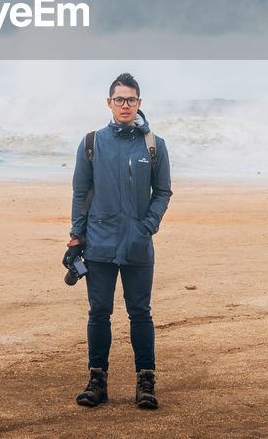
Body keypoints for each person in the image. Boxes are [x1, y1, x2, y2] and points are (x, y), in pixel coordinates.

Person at [64, 72, 173, 409]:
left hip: (138, 245)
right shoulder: (92, 143)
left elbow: (163, 192)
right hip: (99, 244)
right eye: (119, 99)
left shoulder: (154, 145)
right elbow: (81, 193)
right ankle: (97, 380)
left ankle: (146, 382)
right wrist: (75, 236)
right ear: (109, 103)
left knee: (140, 313)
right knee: (99, 313)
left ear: (139, 103)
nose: (125, 105)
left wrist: (148, 226)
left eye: (131, 100)